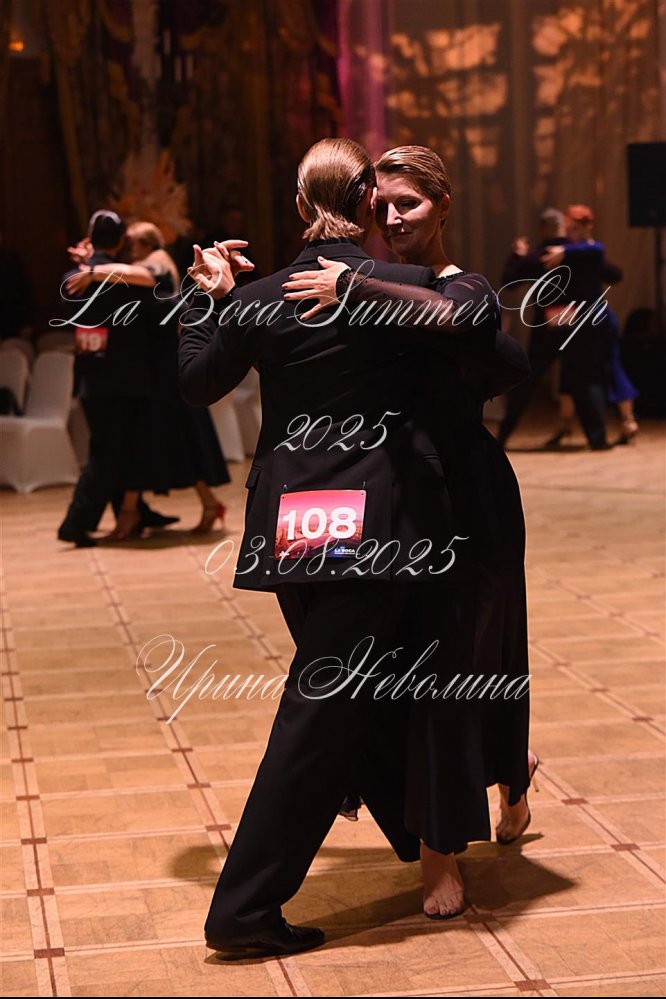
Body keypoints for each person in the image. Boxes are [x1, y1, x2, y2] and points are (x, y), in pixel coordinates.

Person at [178, 138, 530, 956]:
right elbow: (502, 355)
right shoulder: (411, 290)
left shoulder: (260, 298)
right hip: (380, 533)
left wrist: (208, 298)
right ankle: (243, 909)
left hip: (297, 533)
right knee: (321, 714)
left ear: (301, 205)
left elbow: (196, 382)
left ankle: (419, 838)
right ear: (368, 202)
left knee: (349, 700)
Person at [284, 143, 538, 920]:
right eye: (383, 205)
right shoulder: (374, 286)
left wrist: (351, 286)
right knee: (424, 668)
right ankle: (440, 843)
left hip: (473, 500)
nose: (393, 217)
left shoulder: (459, 284)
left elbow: (472, 327)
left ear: (443, 205)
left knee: (482, 655)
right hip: (402, 503)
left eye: (410, 203)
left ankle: (506, 782)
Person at [66, 221, 236, 534]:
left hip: (163, 364)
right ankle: (140, 510)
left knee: (163, 436)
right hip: (153, 364)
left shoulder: (155, 262)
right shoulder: (135, 267)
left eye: (131, 243)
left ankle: (133, 512)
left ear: (143, 244)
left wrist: (92, 268)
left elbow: (149, 280)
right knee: (157, 437)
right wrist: (93, 263)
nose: (126, 248)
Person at [57, 211, 160, 548]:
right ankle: (75, 524)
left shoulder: (74, 277)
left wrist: (87, 265)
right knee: (109, 453)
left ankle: (136, 513)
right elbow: (157, 305)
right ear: (121, 241)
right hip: (127, 378)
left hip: (91, 378)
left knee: (117, 449)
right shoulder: (127, 279)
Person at [497, 207, 624, 449]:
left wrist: (517, 256)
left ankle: (502, 436)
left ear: (542, 229)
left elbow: (509, 280)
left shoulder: (538, 257)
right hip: (578, 328)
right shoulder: (581, 254)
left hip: (546, 329)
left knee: (528, 381)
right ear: (562, 227)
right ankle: (597, 439)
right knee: (585, 381)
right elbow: (615, 274)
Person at [540, 205, 638, 446]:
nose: (570, 233)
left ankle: (627, 421)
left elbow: (597, 252)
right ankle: (565, 424)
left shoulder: (588, 251)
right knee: (571, 369)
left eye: (575, 228)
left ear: (587, 227)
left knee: (607, 368)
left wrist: (565, 249)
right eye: (568, 228)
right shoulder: (574, 253)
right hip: (577, 322)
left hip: (598, 322)